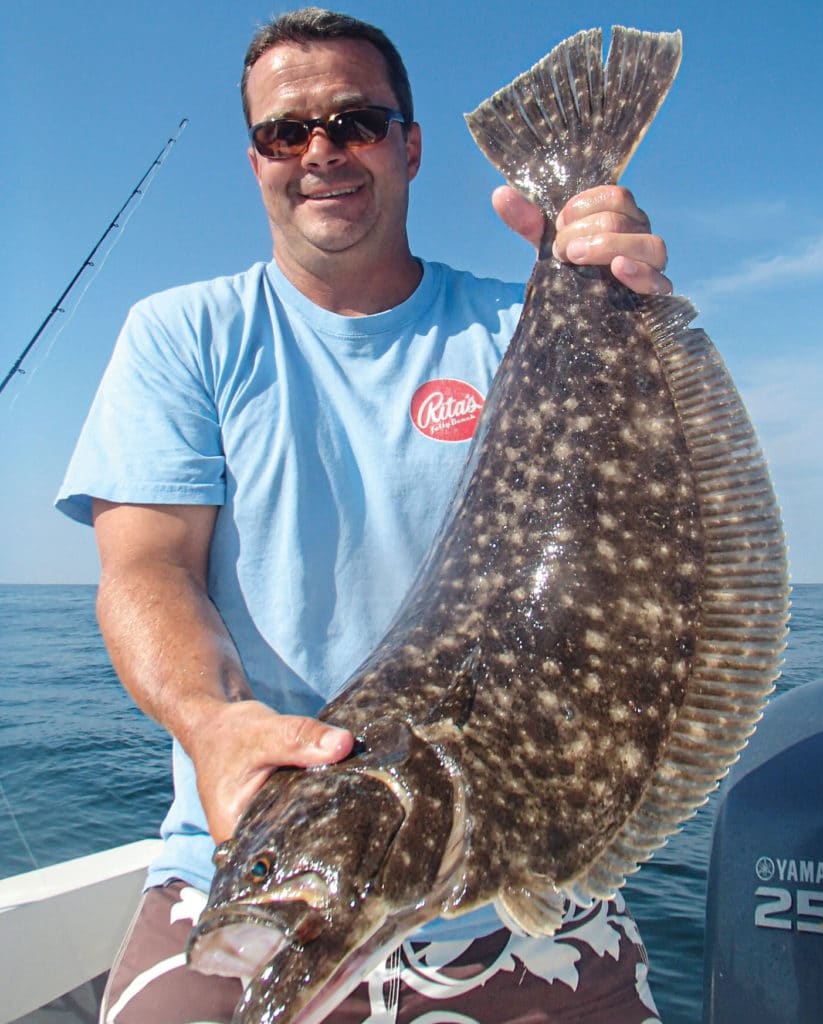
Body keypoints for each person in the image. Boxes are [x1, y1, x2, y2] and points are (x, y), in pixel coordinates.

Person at [57, 8, 671, 1023]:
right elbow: (147, 567)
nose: (320, 153)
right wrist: (214, 727)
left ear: (410, 144)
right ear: (253, 157)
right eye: (283, 132)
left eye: (355, 122)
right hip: (249, 844)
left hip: (524, 863)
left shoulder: (516, 326)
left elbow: (624, 548)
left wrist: (616, 284)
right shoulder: (184, 334)